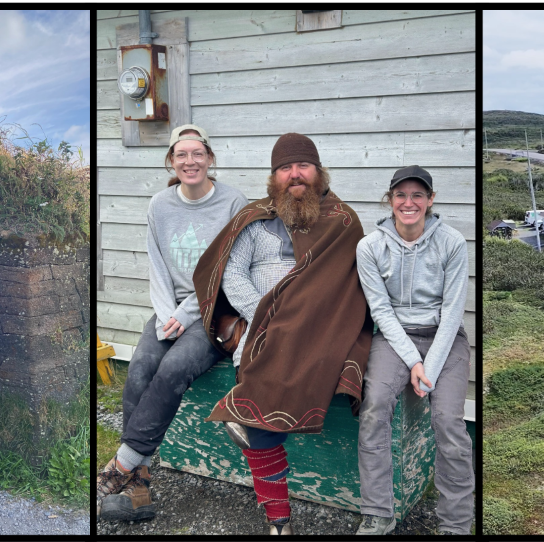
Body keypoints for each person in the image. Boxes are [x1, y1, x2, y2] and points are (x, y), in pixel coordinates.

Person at [193, 133, 372, 535]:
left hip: (319, 324)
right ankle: (279, 521)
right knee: (261, 380)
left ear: (318, 171)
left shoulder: (343, 222)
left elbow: (347, 286)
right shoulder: (255, 219)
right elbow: (231, 273)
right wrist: (264, 314)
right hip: (259, 324)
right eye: (285, 168)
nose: (295, 175)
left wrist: (300, 318)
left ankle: (277, 517)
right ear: (274, 177)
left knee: (266, 400)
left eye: (302, 166)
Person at [97, 124, 248, 522]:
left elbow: (230, 270)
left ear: (210, 158)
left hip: (215, 312)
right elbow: (157, 265)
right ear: (172, 161)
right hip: (170, 308)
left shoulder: (233, 202)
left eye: (197, 153)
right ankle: (140, 486)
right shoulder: (159, 205)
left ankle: (124, 464)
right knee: (141, 368)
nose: (190, 161)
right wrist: (166, 315)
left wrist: (185, 314)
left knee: (174, 368)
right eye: (182, 154)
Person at [354, 166, 473, 535]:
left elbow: (453, 312)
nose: (409, 202)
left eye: (418, 195)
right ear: (390, 200)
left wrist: (430, 368)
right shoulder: (370, 247)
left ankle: (455, 524)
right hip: (394, 337)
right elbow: (381, 312)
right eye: (401, 195)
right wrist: (413, 362)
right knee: (373, 408)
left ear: (430, 200)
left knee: (449, 423)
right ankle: (378, 512)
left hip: (444, 338)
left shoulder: (452, 242)